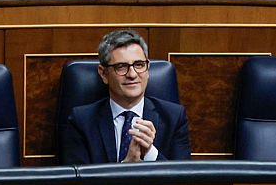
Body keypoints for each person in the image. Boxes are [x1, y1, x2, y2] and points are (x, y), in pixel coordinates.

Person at [59, 29, 190, 164]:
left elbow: (184, 179)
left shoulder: (174, 117)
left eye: (139, 65)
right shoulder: (81, 121)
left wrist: (150, 152)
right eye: (121, 67)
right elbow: (77, 182)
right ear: (104, 74)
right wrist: (125, 167)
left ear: (148, 69)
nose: (132, 74)